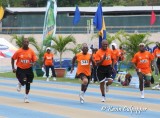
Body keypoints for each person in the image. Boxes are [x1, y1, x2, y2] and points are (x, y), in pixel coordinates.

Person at [11, 38, 37, 103]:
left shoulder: (31, 51)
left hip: (28, 69)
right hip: (21, 69)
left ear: (28, 43)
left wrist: (33, 63)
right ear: (22, 43)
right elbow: (13, 58)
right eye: (25, 42)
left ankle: (26, 97)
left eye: (27, 42)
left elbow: (34, 60)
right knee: (24, 80)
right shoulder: (19, 51)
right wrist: (13, 67)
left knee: (28, 83)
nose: (26, 43)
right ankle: (20, 82)